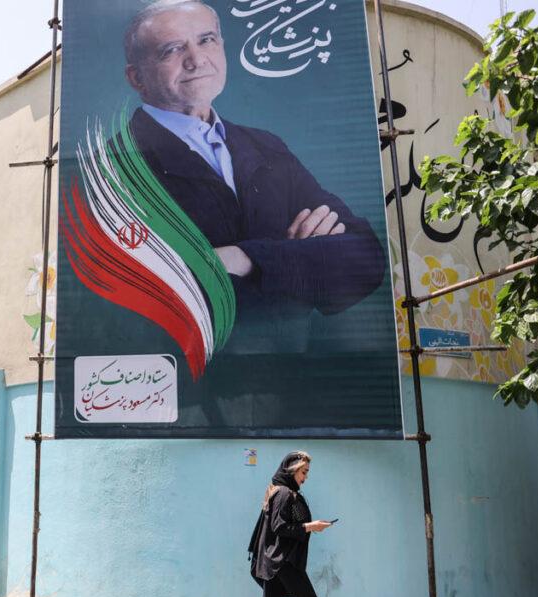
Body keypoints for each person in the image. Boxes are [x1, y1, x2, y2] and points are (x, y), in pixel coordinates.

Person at [122, 0, 386, 351]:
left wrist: (243, 259)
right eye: (172, 49)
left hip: (293, 383)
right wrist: (298, 260)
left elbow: (365, 258)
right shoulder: (115, 167)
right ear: (136, 77)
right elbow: (155, 293)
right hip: (191, 390)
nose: (197, 59)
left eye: (207, 40)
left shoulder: (265, 148)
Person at [243, 451, 365, 597]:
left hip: (275, 561)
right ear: (292, 470)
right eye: (303, 472)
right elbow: (279, 527)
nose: (306, 477)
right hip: (284, 563)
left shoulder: (279, 491)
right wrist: (311, 526)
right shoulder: (284, 494)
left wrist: (311, 525)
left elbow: (281, 526)